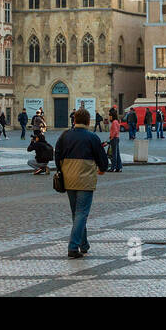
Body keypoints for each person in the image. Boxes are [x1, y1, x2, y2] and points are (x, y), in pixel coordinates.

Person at [54, 108, 109, 259]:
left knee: (76, 213)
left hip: (69, 179)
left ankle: (83, 245)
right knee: (82, 213)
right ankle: (73, 247)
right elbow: (101, 158)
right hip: (85, 179)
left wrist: (61, 169)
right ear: (88, 121)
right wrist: (103, 168)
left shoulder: (65, 135)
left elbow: (57, 154)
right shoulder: (92, 137)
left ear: (74, 120)